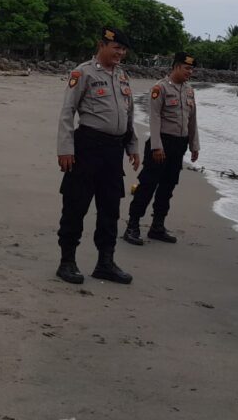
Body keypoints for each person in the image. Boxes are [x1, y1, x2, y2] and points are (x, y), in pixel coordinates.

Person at [55, 26, 141, 285]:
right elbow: (67, 111)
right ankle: (67, 262)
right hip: (87, 148)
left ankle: (105, 263)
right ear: (101, 45)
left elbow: (128, 114)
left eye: (123, 49)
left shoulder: (122, 76)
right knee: (76, 205)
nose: (120, 53)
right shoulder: (83, 73)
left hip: (113, 151)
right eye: (116, 48)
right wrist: (65, 149)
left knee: (110, 209)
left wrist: (132, 146)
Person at [123, 52, 200, 246]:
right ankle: (132, 225)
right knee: (147, 185)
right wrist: (157, 146)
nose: (189, 72)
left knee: (168, 186)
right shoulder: (160, 88)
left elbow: (192, 120)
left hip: (179, 145)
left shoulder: (189, 91)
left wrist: (194, 145)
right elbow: (155, 118)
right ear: (176, 66)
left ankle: (157, 226)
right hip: (161, 143)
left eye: (191, 69)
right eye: (187, 68)